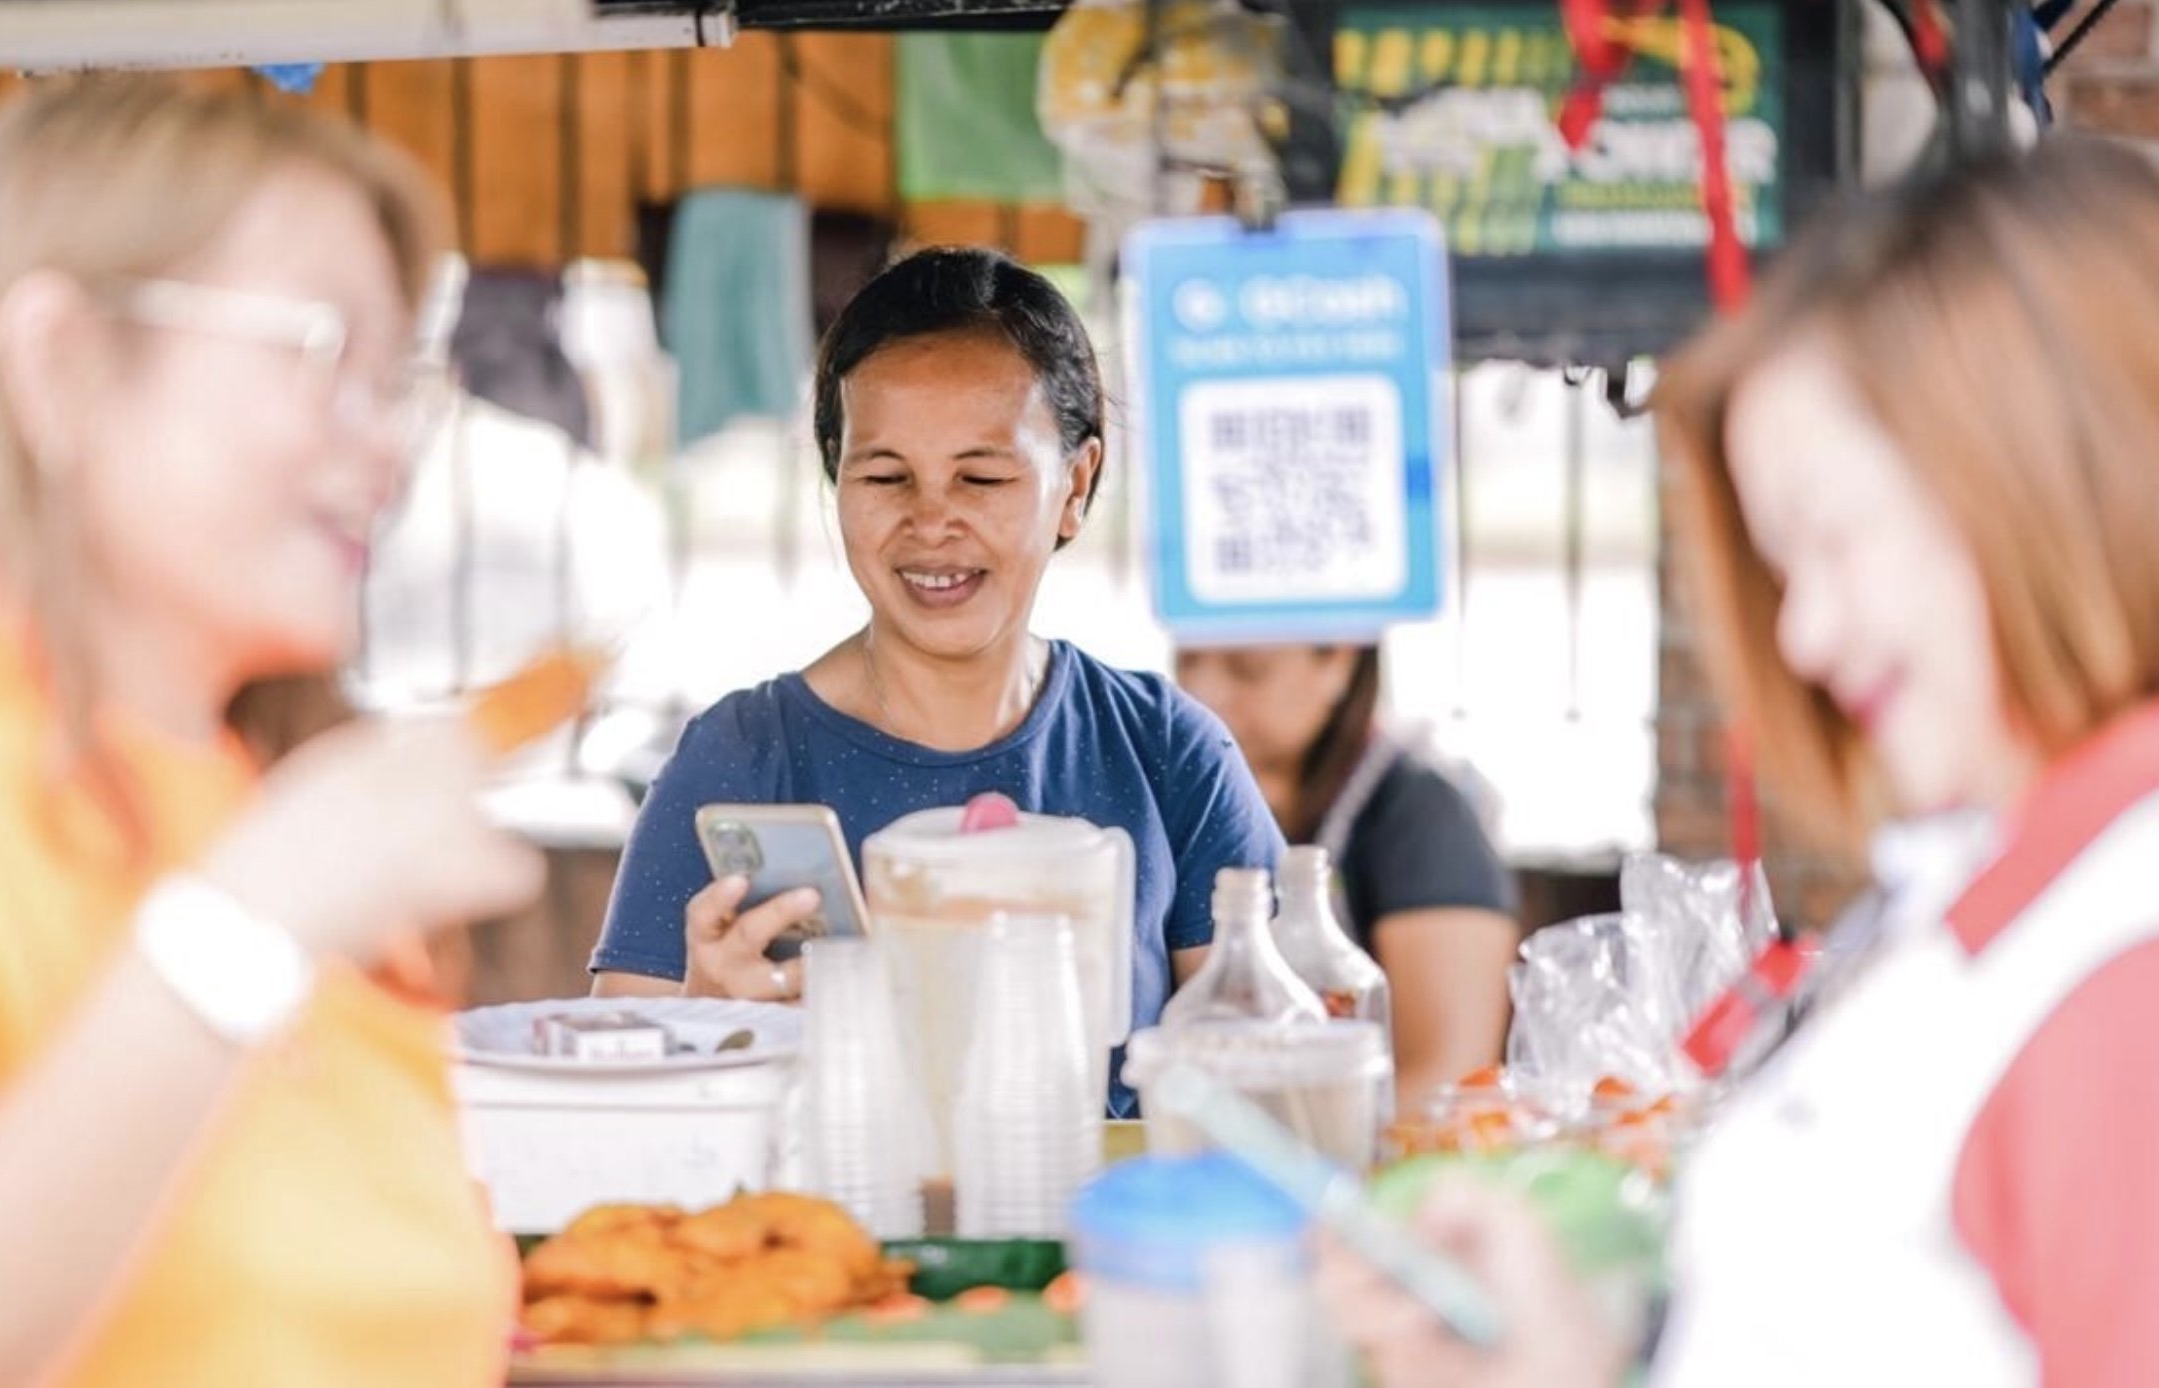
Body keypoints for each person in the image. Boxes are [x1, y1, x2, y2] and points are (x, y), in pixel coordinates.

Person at [1317, 139, 2159, 1386]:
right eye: (1783, 563)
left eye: (1838, 537)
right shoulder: (2001, 884)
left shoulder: (2123, 982)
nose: (1804, 634)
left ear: (2048, 475)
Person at [0, 78, 546, 1386]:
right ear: (60, 362)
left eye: (397, 374)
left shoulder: (272, 805)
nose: (386, 442)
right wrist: (240, 934)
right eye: (320, 351)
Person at [590, 247, 1283, 1115]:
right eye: (885, 476)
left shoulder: (1165, 751)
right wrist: (704, 1026)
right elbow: (615, 1113)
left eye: (981, 476)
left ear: (1077, 484)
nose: (930, 521)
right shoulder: (737, 759)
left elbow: (1276, 1080)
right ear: (836, 481)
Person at [1175, 643, 1519, 1114]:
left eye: (1247, 669)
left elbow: (1448, 1069)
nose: (1203, 690)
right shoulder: (1191, 805)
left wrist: (1296, 1151)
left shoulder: (1420, 817)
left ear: (1338, 662)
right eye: (1189, 660)